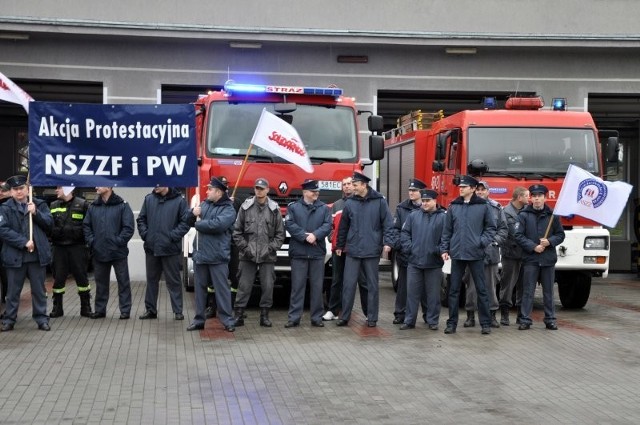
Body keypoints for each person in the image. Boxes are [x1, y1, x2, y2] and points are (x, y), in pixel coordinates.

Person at [335, 171, 395, 327]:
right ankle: (345, 317)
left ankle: (372, 318)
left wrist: (388, 242)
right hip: (353, 250)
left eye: (355, 185)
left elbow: (388, 224)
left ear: (364, 185)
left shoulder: (380, 201)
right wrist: (340, 245)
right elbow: (343, 227)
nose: (352, 188)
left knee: (372, 285)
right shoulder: (350, 203)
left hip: (371, 250)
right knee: (348, 285)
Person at [440, 175, 496, 335]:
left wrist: (481, 242)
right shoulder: (454, 206)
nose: (461, 188)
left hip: (476, 254)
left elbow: (491, 228)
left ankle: (485, 324)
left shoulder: (483, 206)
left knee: (482, 289)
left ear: (472, 189)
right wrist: (445, 249)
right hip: (457, 254)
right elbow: (447, 230)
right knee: (453, 290)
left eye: (464, 186)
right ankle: (452, 323)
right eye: (460, 186)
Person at [0, 175, 53, 332]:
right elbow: (3, 230)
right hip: (15, 255)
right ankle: (9, 319)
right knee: (13, 292)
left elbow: (50, 224)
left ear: (27, 188)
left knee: (38, 290)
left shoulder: (40, 204)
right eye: (15, 189)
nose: (18, 192)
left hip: (36, 256)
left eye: (21, 188)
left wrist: (36, 212)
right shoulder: (5, 208)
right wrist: (23, 242)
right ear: (11, 191)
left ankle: (41, 319)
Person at [232, 178, 285, 327]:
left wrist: (270, 249)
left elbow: (280, 235)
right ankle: (239, 315)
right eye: (257, 188)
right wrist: (245, 248)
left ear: (267, 190)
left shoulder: (274, 209)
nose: (259, 191)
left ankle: (264, 316)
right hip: (247, 255)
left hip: (267, 256)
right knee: (243, 286)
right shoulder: (245, 207)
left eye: (262, 188)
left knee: (268, 286)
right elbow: (237, 232)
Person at [186, 177, 237, 332]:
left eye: (210, 189)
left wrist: (198, 224)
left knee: (222, 290)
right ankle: (199, 320)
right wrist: (192, 213)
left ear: (218, 192)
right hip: (201, 255)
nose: (206, 191)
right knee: (200, 290)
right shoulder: (204, 205)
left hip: (217, 257)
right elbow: (188, 221)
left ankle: (227, 320)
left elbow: (217, 225)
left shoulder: (229, 209)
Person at [514, 184, 565, 330]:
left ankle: (550, 319)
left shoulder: (553, 215)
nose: (537, 199)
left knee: (548, 291)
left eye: (540, 196)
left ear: (545, 198)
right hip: (531, 259)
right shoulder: (524, 215)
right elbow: (518, 235)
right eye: (534, 196)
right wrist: (533, 246)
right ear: (531, 198)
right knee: (528, 291)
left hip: (548, 259)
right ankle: (525, 319)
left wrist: (550, 241)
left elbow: (561, 235)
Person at [137, 186, 191, 321]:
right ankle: (151, 310)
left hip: (170, 249)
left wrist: (173, 236)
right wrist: (146, 235)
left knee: (173, 281)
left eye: (158, 183)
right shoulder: (149, 199)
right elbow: (141, 219)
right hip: (152, 247)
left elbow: (185, 222)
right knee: (151, 280)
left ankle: (178, 311)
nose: (155, 186)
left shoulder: (179, 201)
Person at [284, 179, 332, 328]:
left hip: (317, 253)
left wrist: (315, 235)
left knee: (317, 287)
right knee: (297, 287)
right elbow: (289, 224)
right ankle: (294, 318)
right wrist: (305, 237)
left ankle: (316, 318)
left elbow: (327, 225)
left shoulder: (324, 208)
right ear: (305, 192)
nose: (316, 194)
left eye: (317, 191)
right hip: (299, 253)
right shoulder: (293, 207)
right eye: (313, 192)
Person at [83, 187, 135, 320]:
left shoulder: (122, 205)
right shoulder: (93, 207)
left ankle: (125, 310)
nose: (96, 187)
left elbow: (128, 228)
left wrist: (118, 241)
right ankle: (100, 310)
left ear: (109, 186)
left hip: (118, 252)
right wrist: (92, 242)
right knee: (100, 283)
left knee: (123, 282)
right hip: (99, 251)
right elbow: (86, 226)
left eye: (100, 184)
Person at [462, 180, 508, 328]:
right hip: (471, 253)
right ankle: (470, 316)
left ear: (488, 191)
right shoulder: (468, 206)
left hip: (490, 254)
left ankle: (492, 315)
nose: (481, 192)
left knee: (490, 287)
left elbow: (503, 229)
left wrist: (494, 241)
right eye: (479, 190)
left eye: (483, 190)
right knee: (471, 287)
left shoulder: (496, 208)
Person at [322, 176, 369, 321]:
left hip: (356, 249)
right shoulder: (336, 205)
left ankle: (368, 313)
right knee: (337, 279)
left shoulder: (360, 203)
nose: (347, 187)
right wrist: (332, 238)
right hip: (339, 249)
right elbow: (330, 225)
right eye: (344, 184)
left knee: (362, 281)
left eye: (349, 184)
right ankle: (333, 310)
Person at [399, 189, 446, 330]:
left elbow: (446, 237)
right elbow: (405, 233)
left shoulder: (443, 217)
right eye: (423, 201)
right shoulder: (413, 216)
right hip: (414, 262)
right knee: (412, 294)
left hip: (434, 263)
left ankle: (432, 321)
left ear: (435, 201)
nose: (424, 203)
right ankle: (409, 321)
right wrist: (409, 248)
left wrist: (438, 250)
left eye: (427, 201)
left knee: (433, 296)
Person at [49, 186, 92, 318]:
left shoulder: (83, 204)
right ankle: (57, 307)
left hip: (77, 247)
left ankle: (86, 307)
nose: (56, 190)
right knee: (58, 279)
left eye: (59, 188)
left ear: (68, 189)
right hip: (59, 247)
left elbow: (89, 225)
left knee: (81, 277)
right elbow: (49, 224)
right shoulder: (53, 205)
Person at [204, 176, 242, 319]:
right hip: (218, 245)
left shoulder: (236, 202)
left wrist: (231, 205)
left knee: (234, 278)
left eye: (226, 186)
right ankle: (211, 306)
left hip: (233, 245)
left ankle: (231, 307)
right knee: (212, 280)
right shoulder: (210, 203)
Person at [392, 178, 429, 325]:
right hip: (406, 254)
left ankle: (427, 315)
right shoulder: (402, 208)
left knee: (426, 288)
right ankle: (400, 314)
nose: (411, 193)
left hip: (425, 255)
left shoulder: (428, 207)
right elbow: (395, 230)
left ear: (421, 192)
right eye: (410, 190)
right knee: (403, 287)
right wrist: (401, 246)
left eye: (414, 191)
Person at [498, 186, 530, 325]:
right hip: (510, 254)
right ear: (519, 197)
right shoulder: (505, 212)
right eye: (527, 196)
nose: (530, 198)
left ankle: (521, 315)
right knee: (507, 284)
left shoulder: (528, 212)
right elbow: (504, 232)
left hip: (526, 254)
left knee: (524, 285)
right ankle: (504, 313)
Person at [0, 182, 12, 306]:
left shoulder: (9, 206)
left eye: (3, 191)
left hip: (6, 247)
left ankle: (7, 300)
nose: (0, 193)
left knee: (7, 278)